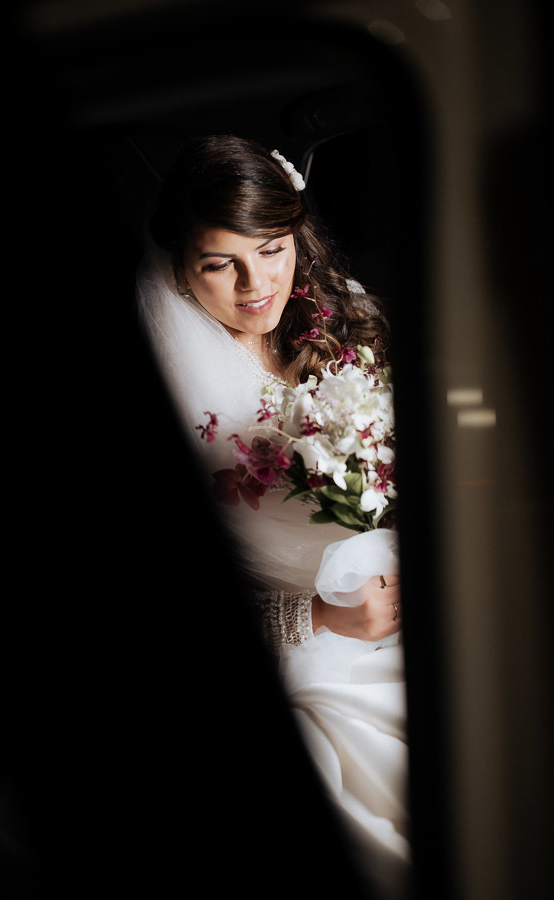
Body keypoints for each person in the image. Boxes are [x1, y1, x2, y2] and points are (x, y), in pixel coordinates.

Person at [137, 135, 409, 898]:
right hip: (315, 645)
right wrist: (319, 616)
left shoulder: (349, 319)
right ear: (180, 266)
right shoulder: (173, 391)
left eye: (274, 249)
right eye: (219, 264)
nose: (258, 285)